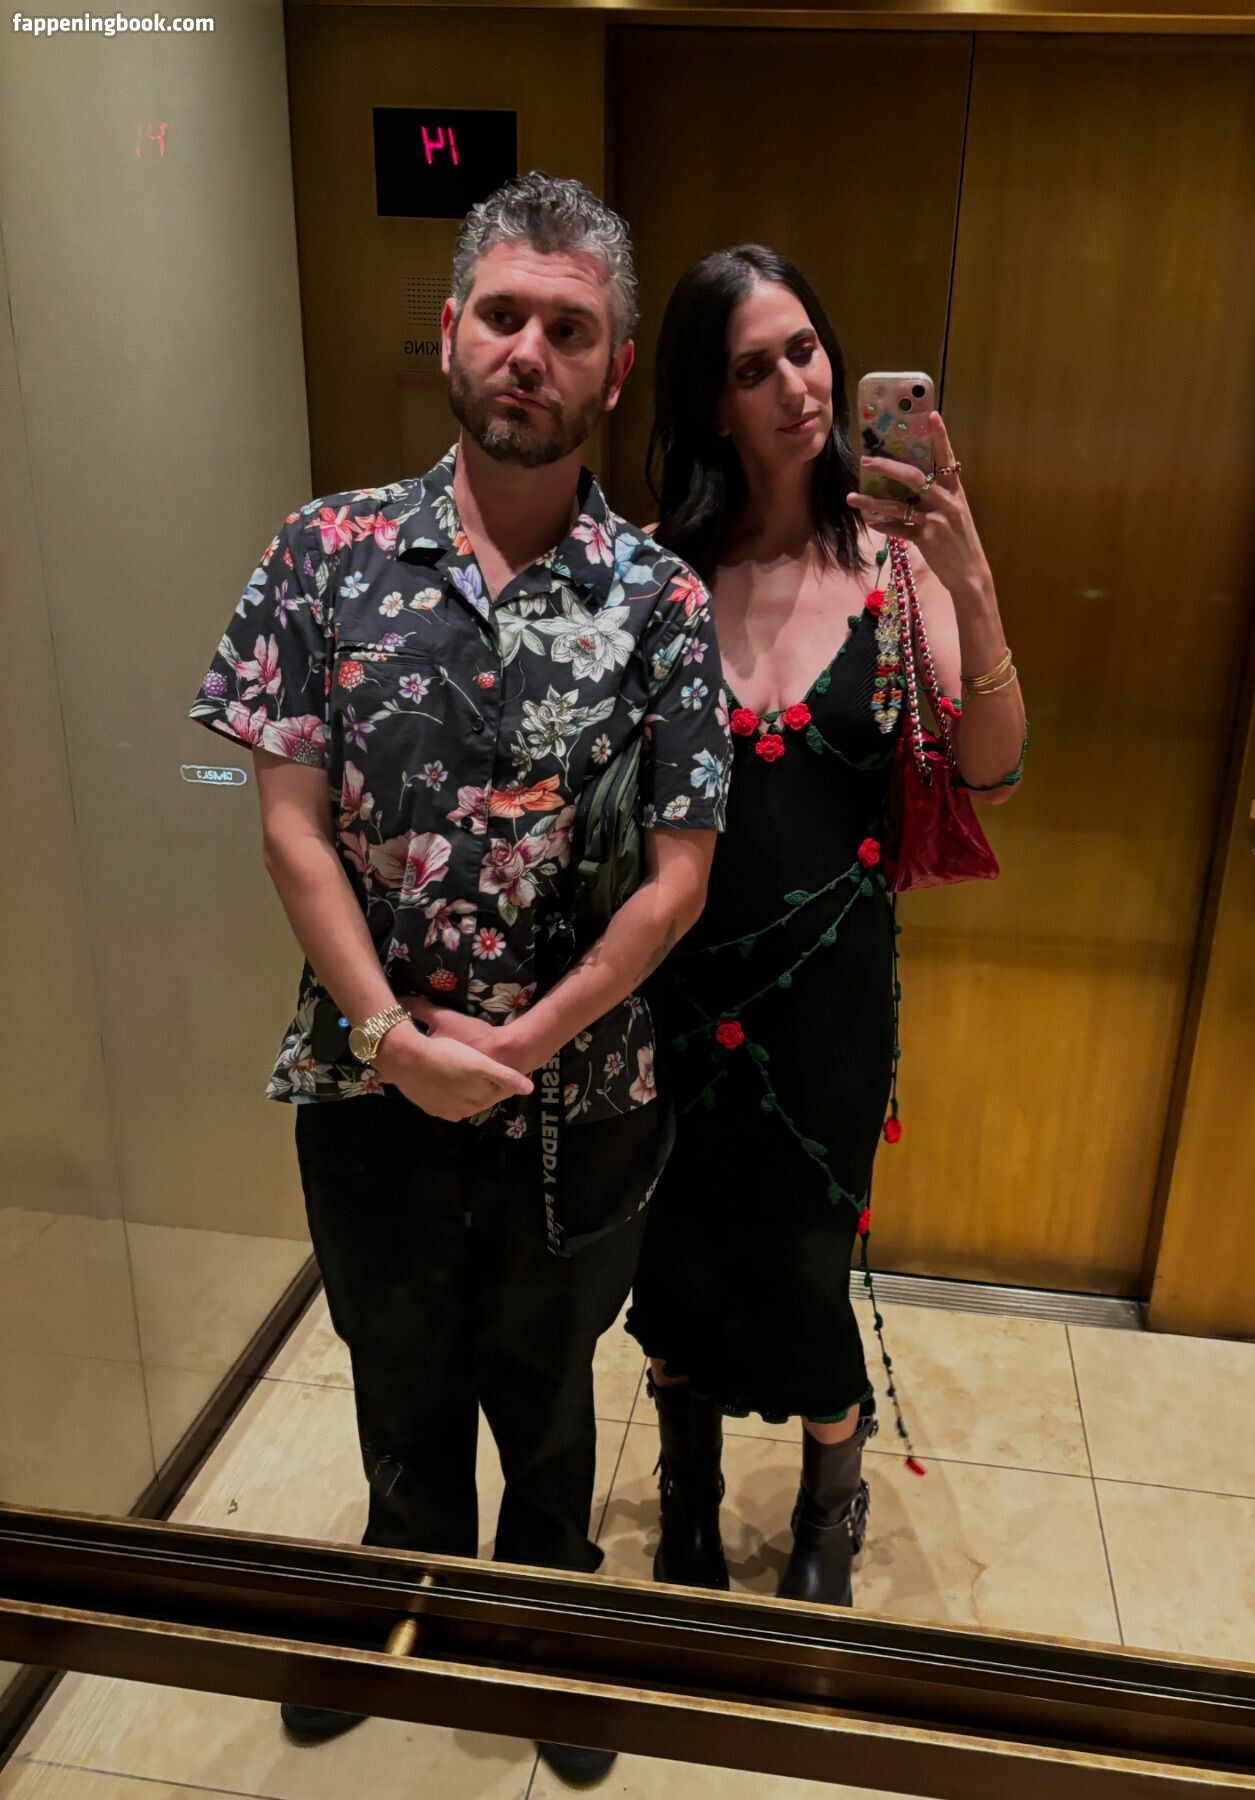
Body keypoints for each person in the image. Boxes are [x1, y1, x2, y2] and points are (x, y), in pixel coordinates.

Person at [191, 174, 731, 1786]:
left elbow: (680, 878)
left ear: (613, 370)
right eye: (503, 315)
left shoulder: (662, 603)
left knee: (548, 1385)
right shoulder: (324, 555)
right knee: (397, 1359)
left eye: (569, 328)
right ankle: (402, 1599)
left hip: (583, 1096)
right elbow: (290, 830)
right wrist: (390, 1038)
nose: (528, 352)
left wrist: (517, 1045)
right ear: (449, 332)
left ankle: (547, 1625)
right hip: (367, 1080)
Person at [626, 245, 1026, 1607]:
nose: (797, 385)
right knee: (677, 1248)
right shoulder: (662, 573)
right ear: (712, 398)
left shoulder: (899, 566)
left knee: (808, 1260)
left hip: (831, 1002)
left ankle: (827, 1501)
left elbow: (992, 773)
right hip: (673, 983)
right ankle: (685, 1485)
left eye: (805, 349)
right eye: (755, 367)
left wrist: (972, 579)